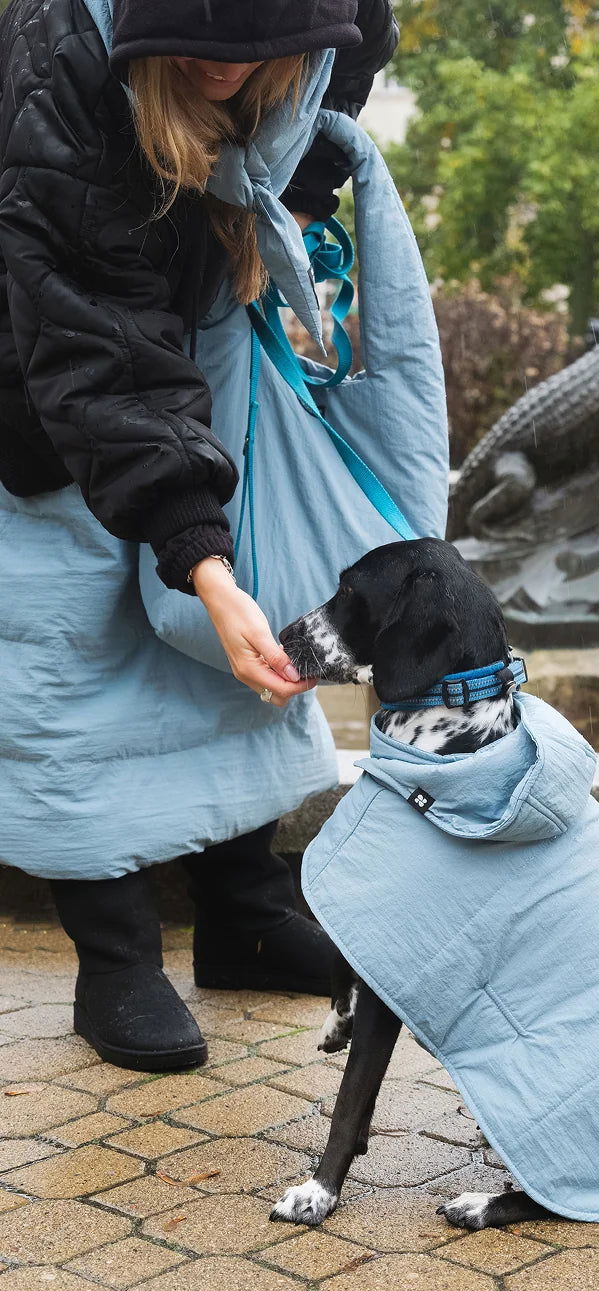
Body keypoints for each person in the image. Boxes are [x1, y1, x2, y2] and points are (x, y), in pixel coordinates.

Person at [0, 0, 398, 1072]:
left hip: (190, 325)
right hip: (39, 365)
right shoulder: (60, 70)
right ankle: (116, 955)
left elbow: (343, 83)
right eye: (199, 51)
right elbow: (97, 343)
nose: (225, 73)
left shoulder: (336, 25)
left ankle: (244, 911)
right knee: (70, 644)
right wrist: (197, 557)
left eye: (255, 52)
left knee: (233, 644)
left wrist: (269, 210)